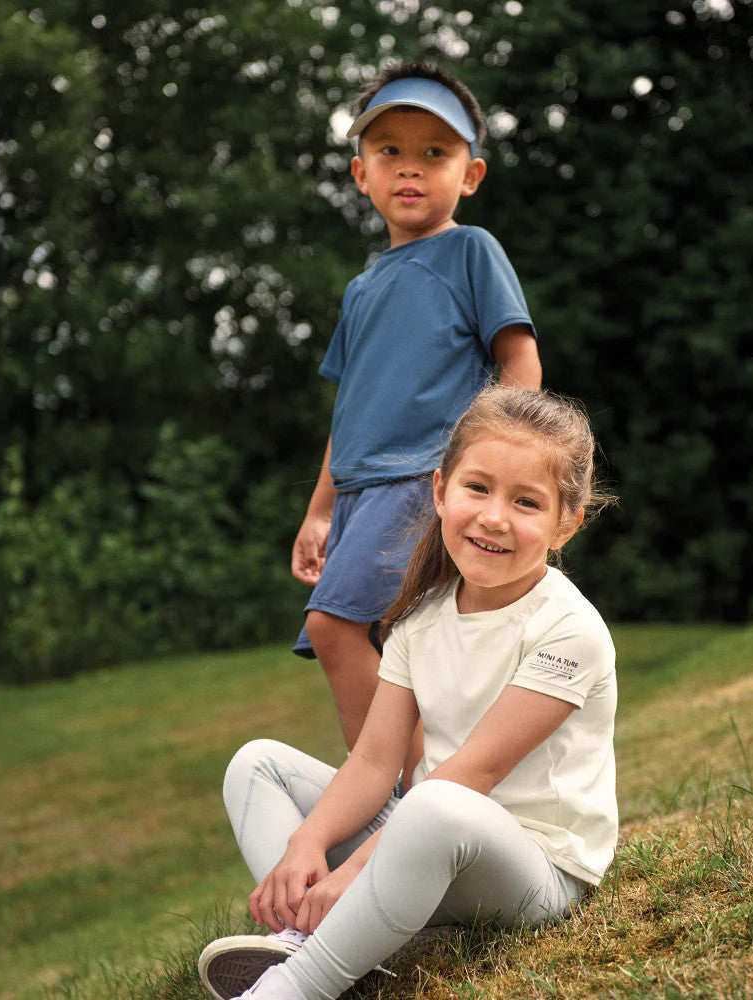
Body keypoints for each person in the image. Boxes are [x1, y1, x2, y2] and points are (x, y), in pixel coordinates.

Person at [200, 386, 617, 1000]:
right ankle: (312, 935)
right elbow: (373, 763)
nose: (494, 517)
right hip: (428, 832)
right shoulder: (421, 618)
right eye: (477, 488)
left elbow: (472, 776)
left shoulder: (568, 629)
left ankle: (292, 985)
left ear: (565, 526)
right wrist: (306, 842)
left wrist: (356, 867)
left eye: (526, 502)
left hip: (534, 871)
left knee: (435, 801)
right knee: (257, 764)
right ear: (440, 491)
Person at [290, 61, 542, 758]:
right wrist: (320, 510)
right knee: (392, 649)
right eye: (389, 151)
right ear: (360, 174)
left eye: (435, 152)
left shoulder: (470, 251)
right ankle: (421, 793)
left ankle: (385, 793)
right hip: (360, 492)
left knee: (334, 628)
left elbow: (520, 362)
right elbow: (351, 408)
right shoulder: (362, 289)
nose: (410, 168)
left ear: (471, 175)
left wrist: (496, 469)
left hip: (421, 478)